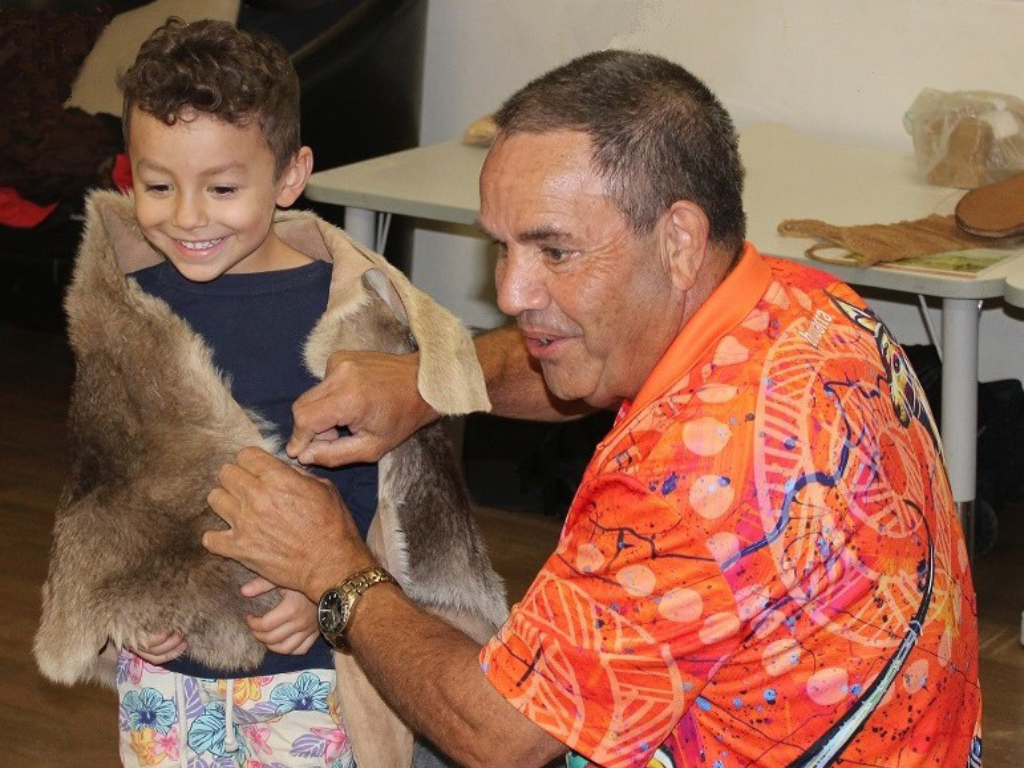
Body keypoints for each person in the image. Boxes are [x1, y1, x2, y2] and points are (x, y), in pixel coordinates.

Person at [204, 50, 982, 768]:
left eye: (556, 251)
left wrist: (334, 569)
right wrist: (425, 382)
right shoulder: (812, 305)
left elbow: (498, 735)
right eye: (502, 247)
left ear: (678, 239)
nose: (510, 292)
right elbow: (578, 361)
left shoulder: (688, 484)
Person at [111, 19, 373, 767]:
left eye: (222, 188)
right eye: (158, 186)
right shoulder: (130, 304)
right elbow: (111, 477)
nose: (188, 216)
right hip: (164, 671)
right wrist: (123, 595)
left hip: (298, 668)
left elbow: (371, 480)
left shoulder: (343, 309)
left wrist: (328, 595)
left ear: (290, 176)